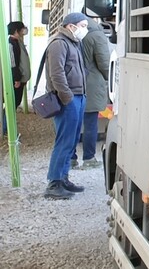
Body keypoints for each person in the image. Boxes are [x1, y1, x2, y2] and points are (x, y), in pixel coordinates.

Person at [43, 12, 89, 200]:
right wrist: (67, 97)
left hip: (78, 97)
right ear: (71, 26)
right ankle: (54, 183)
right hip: (68, 99)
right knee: (64, 141)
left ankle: (63, 178)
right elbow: (57, 74)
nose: (85, 29)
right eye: (83, 25)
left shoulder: (73, 43)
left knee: (71, 141)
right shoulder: (59, 44)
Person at [72, 17, 110, 169]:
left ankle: (71, 159)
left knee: (73, 123)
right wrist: (110, 79)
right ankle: (89, 158)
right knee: (90, 124)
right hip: (92, 85)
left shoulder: (73, 34)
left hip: (74, 83)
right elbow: (104, 63)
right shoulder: (97, 35)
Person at [2, 20, 30, 136]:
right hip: (16, 80)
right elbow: (13, 64)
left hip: (19, 79)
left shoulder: (17, 41)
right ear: (16, 31)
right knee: (11, 104)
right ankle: (6, 128)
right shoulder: (11, 44)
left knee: (14, 103)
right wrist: (17, 79)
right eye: (22, 28)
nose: (24, 30)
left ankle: (7, 128)